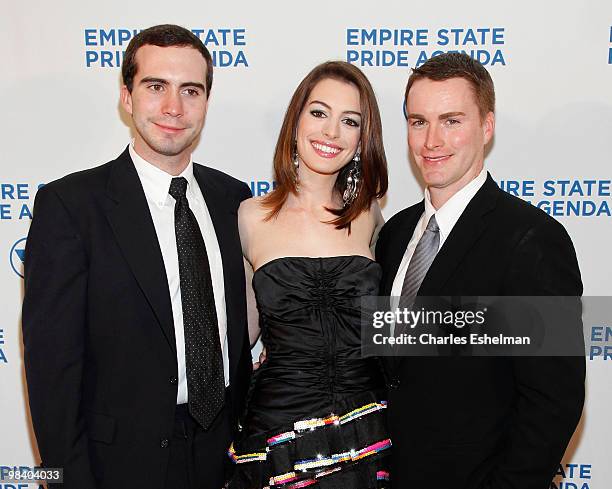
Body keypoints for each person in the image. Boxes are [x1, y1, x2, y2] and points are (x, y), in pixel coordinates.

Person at [22, 24, 252, 489]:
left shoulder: (235, 200)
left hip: (226, 457)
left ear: (207, 100)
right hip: (118, 467)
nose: (174, 107)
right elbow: (51, 372)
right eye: (155, 87)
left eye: (191, 90)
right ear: (126, 97)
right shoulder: (71, 206)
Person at [375, 52, 585, 488]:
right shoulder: (393, 234)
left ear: (486, 127)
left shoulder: (532, 239)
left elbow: (553, 402)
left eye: (451, 121)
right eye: (418, 122)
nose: (432, 140)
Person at [229, 61, 390, 489]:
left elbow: (389, 329)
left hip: (366, 427)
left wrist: (521, 329)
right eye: (319, 113)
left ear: (361, 139)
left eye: (349, 121)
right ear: (296, 121)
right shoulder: (249, 217)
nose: (331, 132)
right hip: (278, 431)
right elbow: (237, 336)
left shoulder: (371, 217)